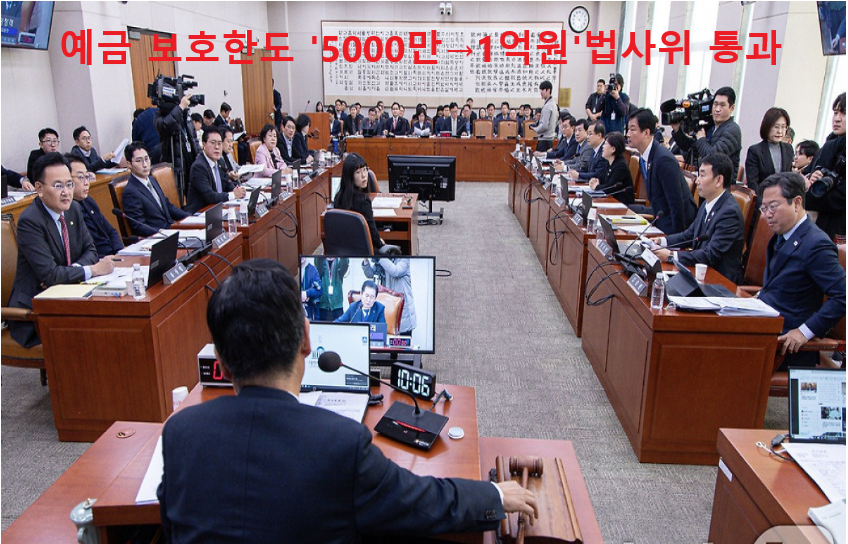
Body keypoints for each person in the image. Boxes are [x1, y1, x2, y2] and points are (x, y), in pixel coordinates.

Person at [157, 259, 536, 542]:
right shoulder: (339, 443)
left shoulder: (179, 433)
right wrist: (493, 493)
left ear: (221, 362)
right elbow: (420, 503)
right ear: (307, 339)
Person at [8, 153, 115, 348]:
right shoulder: (30, 221)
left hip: (68, 298)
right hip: (35, 313)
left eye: (69, 184)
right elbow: (50, 275)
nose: (66, 192)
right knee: (95, 333)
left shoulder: (73, 209)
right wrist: (93, 270)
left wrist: (71, 271)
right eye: (58, 186)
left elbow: (90, 250)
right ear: (39, 188)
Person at [756, 172, 846, 368]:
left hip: (784, 345)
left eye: (773, 207)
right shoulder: (781, 235)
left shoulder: (816, 244)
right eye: (764, 208)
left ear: (796, 203)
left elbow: (843, 295)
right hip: (764, 327)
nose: (767, 214)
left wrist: (804, 332)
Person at [650, 153, 744, 283]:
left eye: (702, 175)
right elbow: (689, 235)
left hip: (719, 282)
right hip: (700, 273)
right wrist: (662, 241)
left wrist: (671, 256)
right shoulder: (707, 203)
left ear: (719, 180)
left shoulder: (729, 213)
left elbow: (710, 254)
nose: (697, 181)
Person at [627, 108, 697, 235]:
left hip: (676, 227)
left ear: (646, 132)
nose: (628, 134)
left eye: (632, 130)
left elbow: (676, 205)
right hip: (661, 219)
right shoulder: (644, 157)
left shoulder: (663, 159)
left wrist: (672, 241)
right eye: (628, 129)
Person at [121, 141, 189, 237]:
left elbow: (167, 206)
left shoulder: (152, 179)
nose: (145, 164)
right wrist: (164, 233)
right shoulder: (130, 192)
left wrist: (191, 218)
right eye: (139, 161)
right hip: (159, 237)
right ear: (129, 164)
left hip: (171, 230)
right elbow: (139, 226)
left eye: (146, 159)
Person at [671, 86, 742, 173]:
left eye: (722, 105)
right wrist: (677, 130)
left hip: (720, 181)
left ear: (732, 108)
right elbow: (691, 148)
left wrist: (701, 139)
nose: (717, 109)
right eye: (715, 104)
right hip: (704, 178)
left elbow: (713, 157)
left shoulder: (733, 130)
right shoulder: (711, 126)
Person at [805, 92, 845, 240]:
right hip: (815, 223)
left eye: (844, 113)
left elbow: (841, 197)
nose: (837, 118)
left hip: (836, 229)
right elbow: (808, 172)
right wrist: (811, 178)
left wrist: (810, 196)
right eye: (835, 113)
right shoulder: (829, 144)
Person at [67, 154, 122, 258]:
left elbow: (111, 231)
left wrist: (120, 253)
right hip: (96, 261)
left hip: (112, 256)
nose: (86, 183)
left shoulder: (88, 201)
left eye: (87, 176)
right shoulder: (67, 211)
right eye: (81, 177)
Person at [186, 127, 246, 214]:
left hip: (217, 209)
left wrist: (237, 190)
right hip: (200, 213)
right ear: (204, 145)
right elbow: (210, 196)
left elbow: (227, 182)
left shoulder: (220, 161)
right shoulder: (198, 167)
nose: (217, 147)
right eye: (213, 143)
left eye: (219, 143)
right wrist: (233, 194)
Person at [332, 153, 384, 252]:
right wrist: (381, 244)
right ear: (350, 176)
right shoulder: (363, 201)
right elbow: (373, 234)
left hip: (345, 251)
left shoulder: (338, 197)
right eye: (358, 172)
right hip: (365, 252)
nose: (364, 175)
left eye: (365, 170)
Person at [155, 94, 201, 196]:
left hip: (191, 163)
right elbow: (165, 126)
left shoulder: (186, 115)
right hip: (176, 166)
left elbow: (194, 139)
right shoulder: (161, 115)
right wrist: (180, 108)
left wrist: (200, 158)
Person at [744, 107, 793, 198]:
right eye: (776, 127)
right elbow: (753, 184)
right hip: (762, 200)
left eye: (783, 127)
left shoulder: (788, 149)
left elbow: (788, 178)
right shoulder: (755, 151)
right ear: (767, 127)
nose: (780, 131)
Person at [363, 258, 417, 336]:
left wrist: (380, 258)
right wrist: (366, 260)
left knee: (403, 341)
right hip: (389, 310)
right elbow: (370, 274)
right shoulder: (384, 261)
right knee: (388, 340)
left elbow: (395, 271)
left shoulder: (404, 260)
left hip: (404, 313)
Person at [588, 132, 635, 205]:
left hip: (622, 205)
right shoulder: (609, 162)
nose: (603, 147)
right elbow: (602, 179)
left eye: (605, 144)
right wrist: (595, 180)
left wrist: (596, 187)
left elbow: (610, 188)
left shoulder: (620, 166)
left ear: (613, 149)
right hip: (610, 202)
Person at [315, 256, 349, 321]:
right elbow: (317, 264)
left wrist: (342, 252)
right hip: (323, 305)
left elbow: (344, 266)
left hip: (337, 306)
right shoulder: (321, 261)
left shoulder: (339, 261)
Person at [531, 80, 558, 152]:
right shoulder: (553, 104)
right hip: (550, 139)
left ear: (548, 90)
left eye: (542, 90)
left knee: (540, 158)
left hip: (544, 140)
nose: (541, 92)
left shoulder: (548, 106)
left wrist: (535, 129)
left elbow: (544, 126)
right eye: (540, 90)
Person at [300, 256, 322, 321]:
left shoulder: (312, 270)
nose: (302, 258)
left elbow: (320, 290)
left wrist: (307, 293)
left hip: (310, 314)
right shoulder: (292, 269)